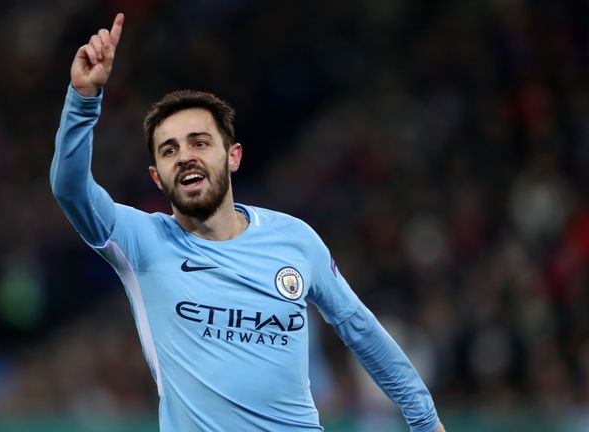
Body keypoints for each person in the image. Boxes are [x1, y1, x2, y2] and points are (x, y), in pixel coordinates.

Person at [50, 13, 446, 432]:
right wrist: (83, 98)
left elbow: (361, 331)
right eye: (168, 151)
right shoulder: (141, 241)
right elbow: (70, 189)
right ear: (157, 176)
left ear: (233, 156)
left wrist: (425, 420)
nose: (185, 156)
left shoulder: (296, 240)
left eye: (199, 143)